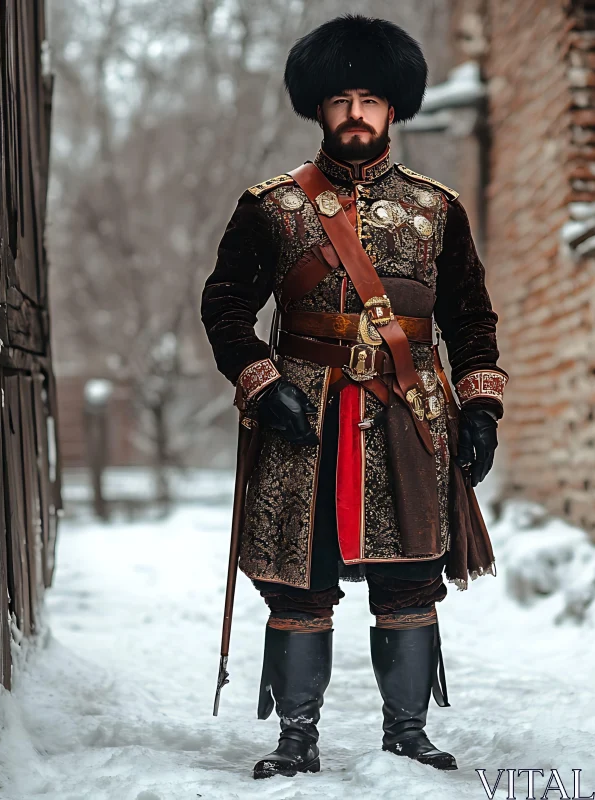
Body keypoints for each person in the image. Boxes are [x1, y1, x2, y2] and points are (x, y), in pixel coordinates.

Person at [200, 13, 509, 780]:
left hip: (409, 411)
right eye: (342, 99)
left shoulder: (439, 210)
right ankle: (296, 738)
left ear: (395, 108)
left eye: (372, 98)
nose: (357, 113)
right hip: (302, 413)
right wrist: (262, 385)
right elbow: (226, 307)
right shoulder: (271, 206)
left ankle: (406, 733)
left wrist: (480, 405)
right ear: (319, 108)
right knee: (297, 580)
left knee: (409, 576)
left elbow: (470, 317)